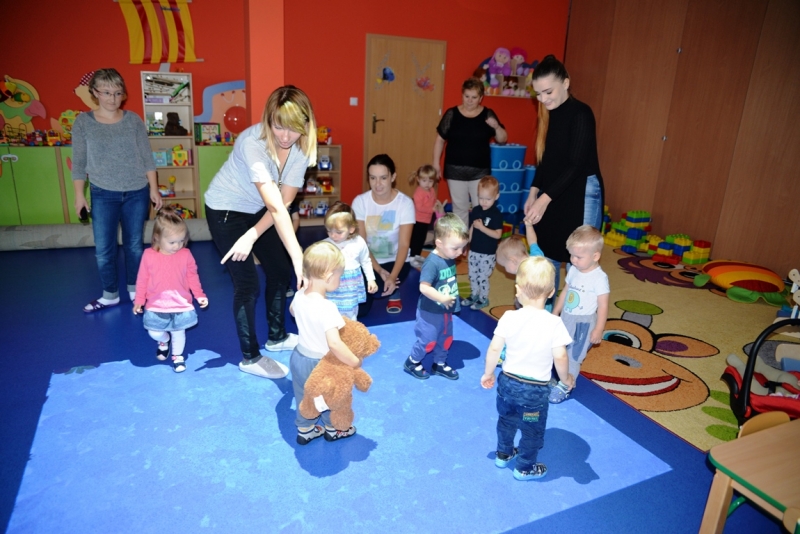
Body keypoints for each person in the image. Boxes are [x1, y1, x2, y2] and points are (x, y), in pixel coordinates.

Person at [204, 86, 316, 379]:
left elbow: (284, 202)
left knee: (279, 270)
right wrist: (299, 257)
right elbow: (276, 207)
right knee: (247, 284)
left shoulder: (301, 150)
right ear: (268, 119)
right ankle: (250, 356)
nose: (285, 136)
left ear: (305, 124)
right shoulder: (252, 142)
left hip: (259, 209)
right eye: (278, 126)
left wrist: (253, 233)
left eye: (293, 128)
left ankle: (276, 336)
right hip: (225, 209)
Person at [71, 68, 162, 313]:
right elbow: (78, 163)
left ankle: (135, 291)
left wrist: (154, 189)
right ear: (94, 93)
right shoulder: (83, 122)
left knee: (134, 245)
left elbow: (147, 157)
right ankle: (109, 295)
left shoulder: (133, 120)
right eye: (106, 92)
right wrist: (79, 195)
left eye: (118, 93)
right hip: (102, 193)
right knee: (104, 249)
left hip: (136, 191)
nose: (112, 98)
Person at [480, 256, 573, 481]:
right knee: (532, 430)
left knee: (506, 420)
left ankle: (503, 454)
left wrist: (488, 373)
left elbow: (494, 349)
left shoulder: (508, 317)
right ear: (551, 292)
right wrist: (565, 379)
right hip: (534, 392)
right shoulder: (554, 323)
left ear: (517, 289)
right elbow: (560, 356)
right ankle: (524, 467)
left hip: (507, 384)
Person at [523, 55, 604, 293]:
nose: (543, 99)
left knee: (579, 258)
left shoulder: (581, 113)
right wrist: (533, 192)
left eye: (548, 92)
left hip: (580, 192)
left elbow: (575, 164)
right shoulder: (548, 114)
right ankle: (546, 307)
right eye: (538, 94)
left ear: (566, 83)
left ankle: (576, 309)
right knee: (547, 250)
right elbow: (545, 160)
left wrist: (543, 200)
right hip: (554, 190)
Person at [289, 241, 361, 445]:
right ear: (329, 277)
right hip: (321, 364)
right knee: (331, 397)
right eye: (339, 276)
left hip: (299, 357)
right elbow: (334, 344)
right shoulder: (327, 308)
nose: (340, 280)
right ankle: (334, 428)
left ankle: (305, 429)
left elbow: (292, 311)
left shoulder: (299, 295)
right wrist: (354, 361)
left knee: (304, 394)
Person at [133, 206, 208, 373]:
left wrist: (199, 295)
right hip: (156, 304)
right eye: (172, 242)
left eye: (181, 241)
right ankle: (163, 340)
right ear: (157, 238)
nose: (177, 246)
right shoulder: (149, 255)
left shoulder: (186, 254)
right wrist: (139, 300)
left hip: (180, 303)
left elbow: (192, 276)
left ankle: (177, 356)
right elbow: (142, 279)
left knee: (179, 332)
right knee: (154, 331)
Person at [433, 77, 508, 227]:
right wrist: (435, 163)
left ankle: (478, 239)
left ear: (481, 98)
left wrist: (496, 127)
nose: (469, 100)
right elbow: (440, 140)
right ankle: (461, 240)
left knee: (481, 209)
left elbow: (502, 139)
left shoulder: (487, 114)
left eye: (474, 97)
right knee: (459, 209)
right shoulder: (452, 114)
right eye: (467, 96)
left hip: (480, 172)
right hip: (455, 170)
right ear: (462, 95)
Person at [403, 214, 468, 380]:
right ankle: (412, 361)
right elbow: (424, 287)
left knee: (445, 338)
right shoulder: (432, 262)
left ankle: (439, 363)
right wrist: (442, 298)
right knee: (428, 340)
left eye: (463, 248)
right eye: (456, 248)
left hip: (445, 310)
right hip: (430, 311)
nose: (460, 253)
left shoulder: (449, 256)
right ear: (439, 243)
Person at [550, 225, 609, 403]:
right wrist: (555, 311)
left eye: (578, 257)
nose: (573, 260)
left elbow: (603, 306)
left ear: (595, 256)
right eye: (571, 255)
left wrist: (599, 329)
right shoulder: (574, 269)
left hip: (584, 323)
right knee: (559, 347)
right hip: (567, 317)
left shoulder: (599, 278)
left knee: (574, 355)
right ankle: (558, 376)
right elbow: (565, 291)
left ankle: (566, 385)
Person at [352, 154, 415, 315]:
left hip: (395, 261)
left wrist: (392, 276)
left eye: (383, 178)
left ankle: (394, 289)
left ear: (393, 177)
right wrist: (378, 270)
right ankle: (383, 285)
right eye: (373, 178)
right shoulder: (360, 202)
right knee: (361, 311)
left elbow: (404, 245)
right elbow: (361, 243)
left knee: (383, 287)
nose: (377, 184)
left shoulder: (405, 203)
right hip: (367, 260)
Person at [323, 202, 377, 320]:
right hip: (333, 285)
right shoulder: (325, 244)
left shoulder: (359, 242)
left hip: (351, 286)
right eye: (329, 231)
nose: (333, 235)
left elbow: (365, 261)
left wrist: (371, 279)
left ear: (351, 229)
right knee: (331, 313)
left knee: (351, 314)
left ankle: (350, 329)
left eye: (338, 232)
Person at [461, 176, 504, 310]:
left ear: (496, 197)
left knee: (482, 277)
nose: (484, 202)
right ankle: (474, 294)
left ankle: (483, 298)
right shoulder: (476, 210)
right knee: (472, 275)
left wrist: (482, 228)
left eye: (488, 199)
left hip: (487, 253)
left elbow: (498, 234)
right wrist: (466, 243)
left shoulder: (496, 214)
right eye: (481, 198)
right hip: (474, 250)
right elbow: (472, 228)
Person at [407, 164, 439, 268]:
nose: (427, 184)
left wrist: (436, 204)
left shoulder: (432, 190)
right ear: (418, 179)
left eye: (430, 181)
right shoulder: (419, 192)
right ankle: (412, 256)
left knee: (421, 239)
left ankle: (417, 255)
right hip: (418, 220)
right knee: (416, 239)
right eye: (424, 181)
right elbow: (419, 207)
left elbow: (433, 200)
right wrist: (431, 210)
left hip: (426, 220)